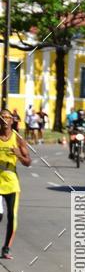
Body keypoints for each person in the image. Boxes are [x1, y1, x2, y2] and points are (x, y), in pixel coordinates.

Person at [0, 108, 31, 259]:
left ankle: (6, 248)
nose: (5, 120)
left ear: (12, 120)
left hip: (12, 182)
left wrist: (19, 154)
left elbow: (28, 162)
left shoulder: (18, 139)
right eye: (2, 117)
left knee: (12, 216)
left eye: (8, 117)